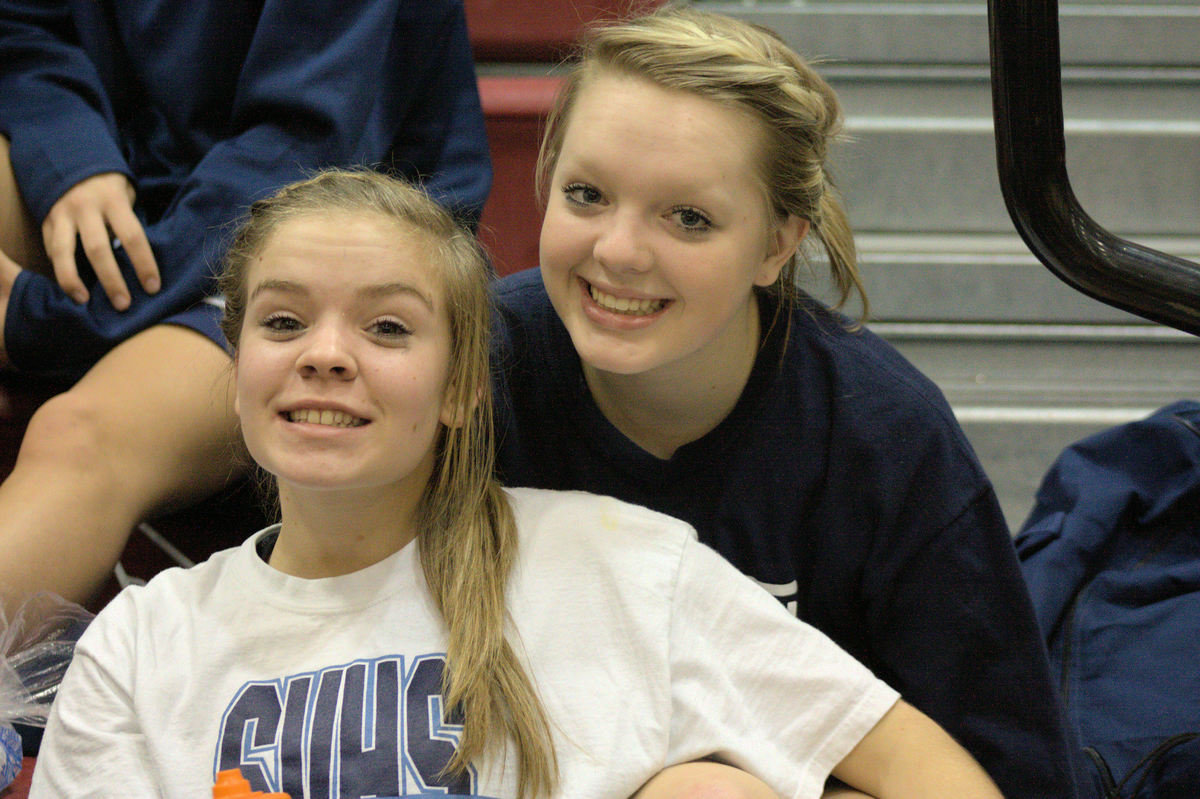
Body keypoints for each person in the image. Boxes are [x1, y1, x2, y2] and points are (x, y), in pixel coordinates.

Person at [30, 170, 1003, 798]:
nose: (325, 356)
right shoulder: (142, 644)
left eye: (387, 328)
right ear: (235, 367)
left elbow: (923, 769)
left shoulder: (615, 566)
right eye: (282, 323)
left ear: (461, 387)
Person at [490, 7, 1077, 798]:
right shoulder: (465, 371)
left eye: (688, 217)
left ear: (777, 244)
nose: (619, 251)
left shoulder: (884, 437)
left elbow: (1012, 775)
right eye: (587, 194)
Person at [0, 0, 491, 608]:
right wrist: (71, 159)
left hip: (324, 241)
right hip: (137, 186)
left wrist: (52, 321)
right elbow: (21, 28)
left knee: (79, 436)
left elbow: (300, 146)